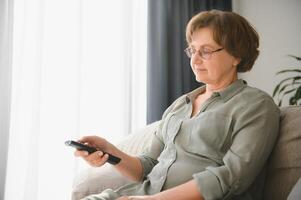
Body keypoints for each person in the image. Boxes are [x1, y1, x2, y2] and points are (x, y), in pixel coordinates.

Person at [74, 10, 280, 200]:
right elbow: (147, 167)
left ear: (237, 55)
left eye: (206, 51)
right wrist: (109, 151)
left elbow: (231, 177)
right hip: (141, 194)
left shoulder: (256, 106)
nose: (195, 60)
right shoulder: (180, 105)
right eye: (193, 50)